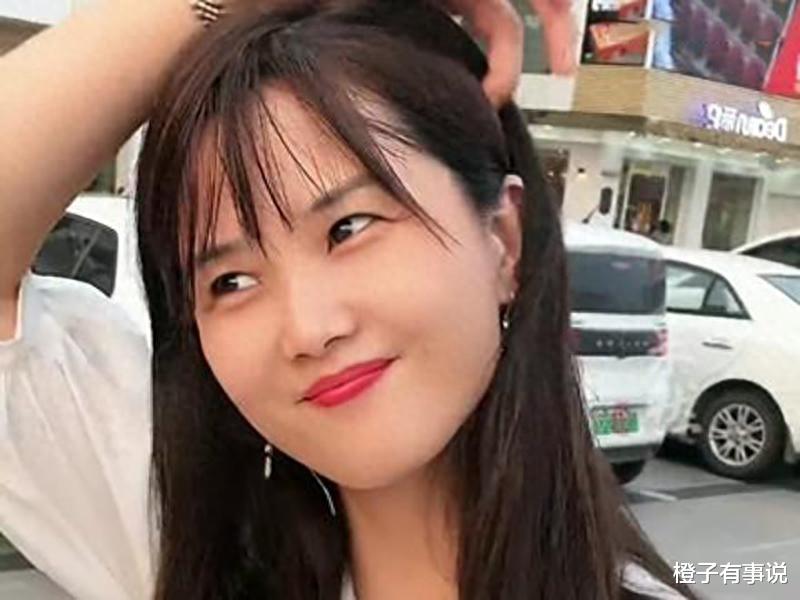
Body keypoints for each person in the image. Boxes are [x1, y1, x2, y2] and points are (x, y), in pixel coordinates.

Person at [0, 1, 693, 599]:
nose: (308, 329)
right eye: (230, 281)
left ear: (504, 241)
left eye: (349, 228)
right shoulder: (187, 549)